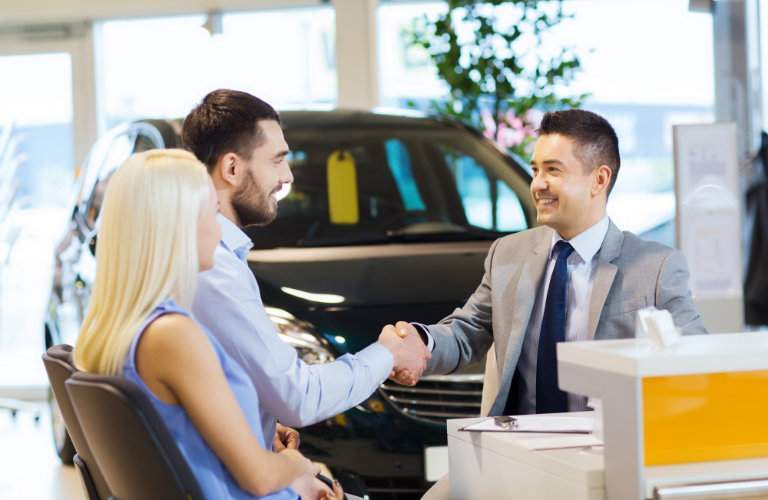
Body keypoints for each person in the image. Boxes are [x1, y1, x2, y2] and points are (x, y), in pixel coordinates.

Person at [390, 109, 708, 417]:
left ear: (599, 179)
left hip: (605, 451)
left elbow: (695, 358)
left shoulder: (655, 267)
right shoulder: (508, 254)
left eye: (553, 170)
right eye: (535, 170)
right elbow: (467, 332)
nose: (538, 184)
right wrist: (420, 341)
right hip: (518, 449)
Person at [73, 149, 343, 499]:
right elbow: (258, 477)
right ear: (177, 226)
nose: (219, 230)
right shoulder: (172, 335)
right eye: (212, 213)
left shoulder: (122, 331)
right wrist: (302, 466)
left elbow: (178, 436)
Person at [181, 90, 429, 453]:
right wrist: (388, 352)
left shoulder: (218, 256)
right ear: (232, 168)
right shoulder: (214, 268)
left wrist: (257, 422)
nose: (287, 176)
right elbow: (298, 397)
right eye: (278, 161)